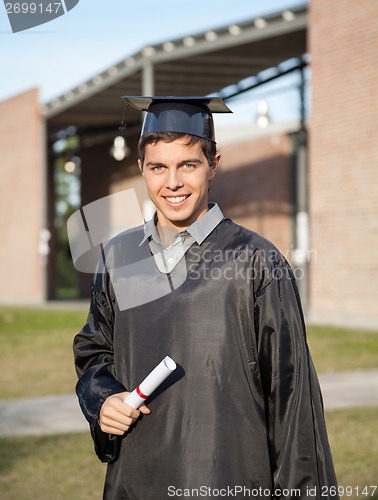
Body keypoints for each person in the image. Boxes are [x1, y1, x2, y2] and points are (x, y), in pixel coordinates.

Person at [73, 96, 339, 500]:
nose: (172, 182)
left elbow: (292, 395)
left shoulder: (256, 260)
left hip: (229, 475)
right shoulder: (119, 257)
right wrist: (103, 399)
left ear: (213, 165)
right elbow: (95, 352)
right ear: (141, 168)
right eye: (158, 167)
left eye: (188, 165)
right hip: (136, 478)